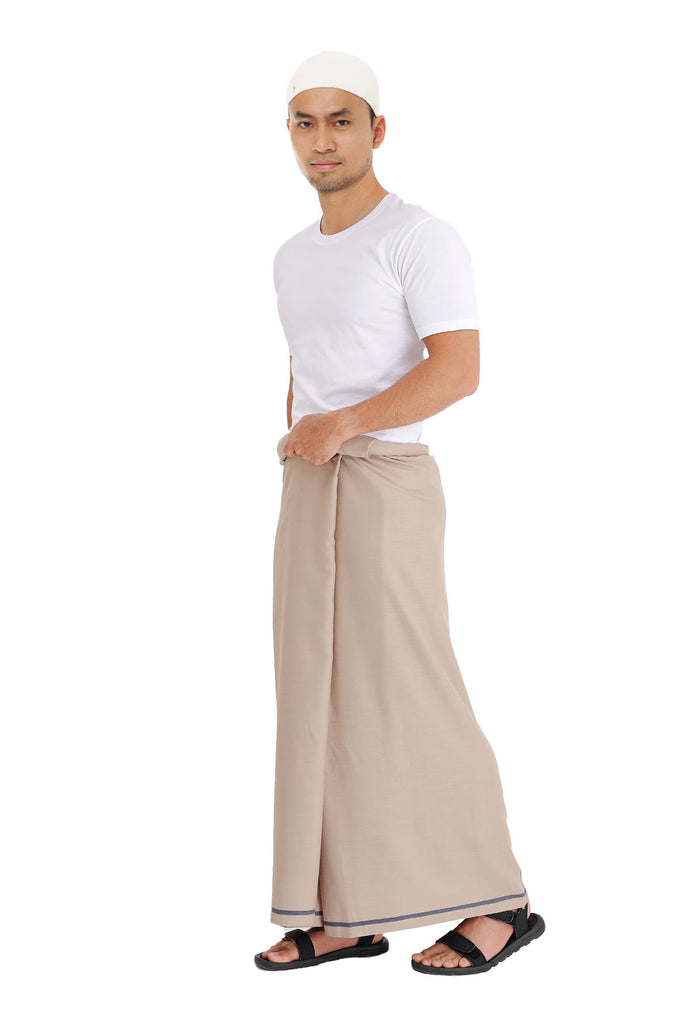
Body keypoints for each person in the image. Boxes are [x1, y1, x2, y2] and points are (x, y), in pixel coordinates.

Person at [255, 50, 545, 975]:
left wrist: (342, 424)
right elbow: (311, 360)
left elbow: (457, 370)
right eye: (305, 122)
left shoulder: (418, 236)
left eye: (341, 120)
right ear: (288, 135)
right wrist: (303, 428)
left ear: (376, 130)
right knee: (316, 696)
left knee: (409, 687)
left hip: (385, 480)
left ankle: (501, 902)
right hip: (310, 482)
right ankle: (343, 914)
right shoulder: (291, 255)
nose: (322, 139)